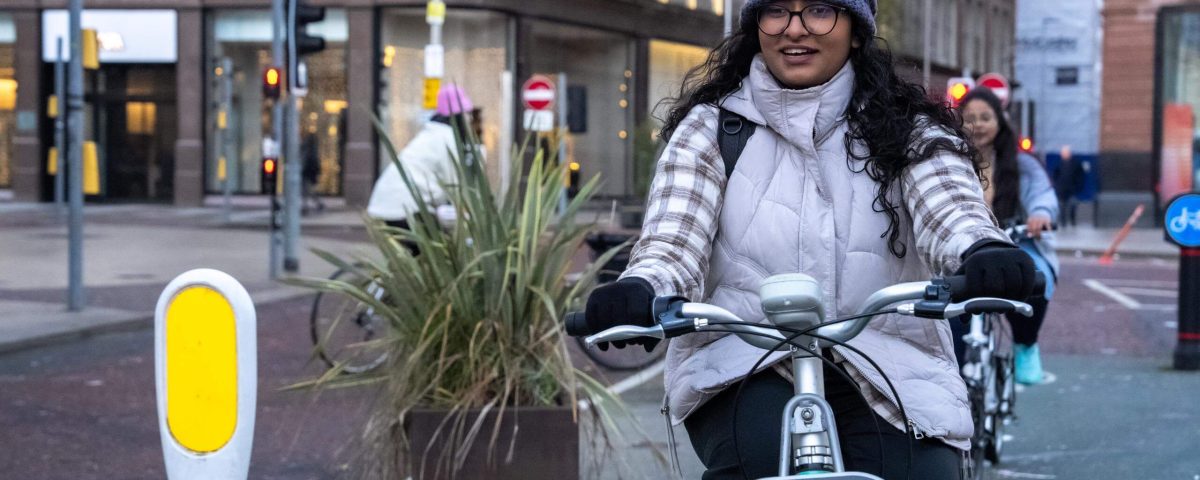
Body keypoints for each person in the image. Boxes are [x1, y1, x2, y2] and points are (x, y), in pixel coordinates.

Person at [579, 1, 1037, 478]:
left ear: (856, 30)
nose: (794, 29)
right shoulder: (711, 129)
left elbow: (951, 210)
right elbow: (674, 241)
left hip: (888, 356)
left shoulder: (910, 129)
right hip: (744, 362)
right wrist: (644, 287)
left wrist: (983, 249)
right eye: (776, 11)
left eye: (819, 10)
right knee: (761, 458)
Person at [957, 87, 1060, 385]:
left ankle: (1025, 345)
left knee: (1034, 280)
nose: (977, 124)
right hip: (964, 248)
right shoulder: (950, 159)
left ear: (1000, 121)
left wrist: (1040, 215)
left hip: (1015, 242)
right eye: (970, 118)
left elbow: (1042, 194)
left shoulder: (1022, 164)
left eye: (985, 117)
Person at [366, 84, 475, 252]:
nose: (470, 118)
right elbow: (453, 186)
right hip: (404, 209)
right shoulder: (448, 140)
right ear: (458, 115)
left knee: (422, 254)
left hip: (387, 206)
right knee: (439, 253)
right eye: (467, 113)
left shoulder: (431, 134)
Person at [301, 133, 325, 216]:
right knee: (308, 190)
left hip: (307, 172)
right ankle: (309, 206)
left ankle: (312, 205)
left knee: (308, 190)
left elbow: (311, 162)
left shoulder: (308, 150)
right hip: (309, 172)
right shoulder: (311, 149)